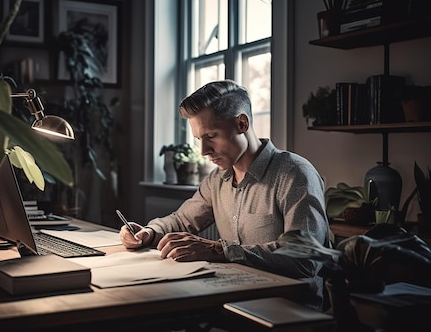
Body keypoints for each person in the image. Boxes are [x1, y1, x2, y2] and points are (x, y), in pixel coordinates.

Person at [120, 80, 330, 311]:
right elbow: (181, 221)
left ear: (242, 123)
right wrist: (149, 232)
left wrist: (220, 250)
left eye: (211, 135)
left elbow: (306, 258)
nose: (203, 151)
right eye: (200, 139)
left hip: (288, 310)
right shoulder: (217, 179)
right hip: (232, 301)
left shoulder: (295, 174)